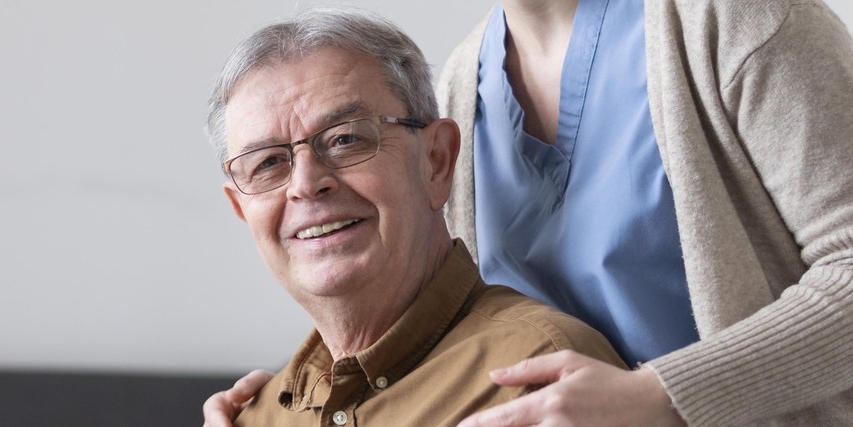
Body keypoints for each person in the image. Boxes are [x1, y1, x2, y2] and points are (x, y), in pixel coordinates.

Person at [205, 0, 853, 426]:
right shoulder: (461, 80)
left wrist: (656, 396)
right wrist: (295, 398)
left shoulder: (737, 20)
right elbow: (442, 311)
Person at [200, 8, 625, 427]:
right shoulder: (252, 417)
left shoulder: (545, 381)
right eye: (268, 163)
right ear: (241, 208)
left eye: (345, 139)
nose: (306, 184)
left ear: (437, 162)